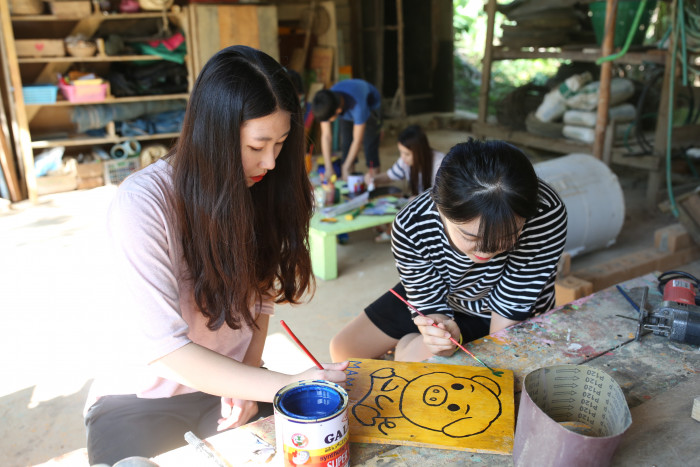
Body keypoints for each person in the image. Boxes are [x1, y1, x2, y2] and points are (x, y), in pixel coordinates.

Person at [84, 45, 348, 465]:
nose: (271, 162)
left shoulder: (259, 188)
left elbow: (257, 303)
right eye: (257, 145)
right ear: (213, 135)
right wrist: (284, 384)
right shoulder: (144, 203)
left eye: (280, 143)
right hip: (138, 399)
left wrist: (247, 383)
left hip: (230, 384)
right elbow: (164, 351)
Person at [329, 139, 568, 363]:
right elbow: (430, 306)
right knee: (343, 350)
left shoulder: (545, 212)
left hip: (505, 312)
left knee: (431, 363)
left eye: (506, 237)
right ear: (440, 208)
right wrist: (440, 334)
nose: (486, 252)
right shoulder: (412, 225)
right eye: (470, 236)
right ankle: (408, 346)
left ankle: (404, 348)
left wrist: (485, 358)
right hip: (444, 292)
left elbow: (504, 327)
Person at [365, 124, 446, 242]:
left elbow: (444, 196)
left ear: (419, 152)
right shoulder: (405, 162)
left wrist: (420, 199)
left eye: (406, 154)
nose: (403, 158)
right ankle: (390, 229)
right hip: (415, 203)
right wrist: (373, 178)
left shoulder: (440, 163)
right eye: (401, 152)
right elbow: (389, 176)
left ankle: (391, 231)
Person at [311, 79, 382, 180]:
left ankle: (376, 182)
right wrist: (328, 167)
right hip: (345, 104)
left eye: (328, 120)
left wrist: (346, 166)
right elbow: (326, 136)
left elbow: (357, 140)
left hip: (370, 104)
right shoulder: (327, 101)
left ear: (338, 111)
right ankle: (350, 181)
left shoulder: (358, 107)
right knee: (346, 143)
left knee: (370, 147)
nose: (327, 122)